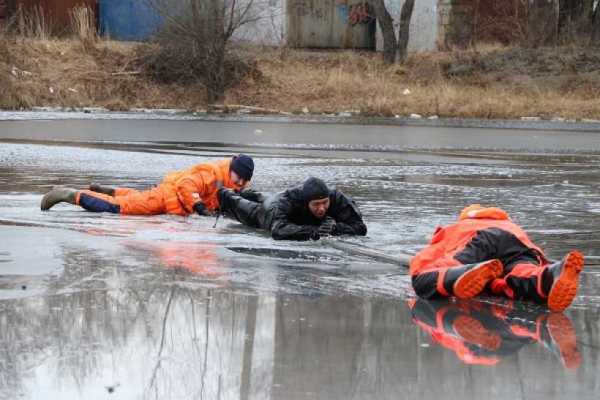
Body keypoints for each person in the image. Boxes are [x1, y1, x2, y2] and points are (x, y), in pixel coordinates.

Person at [410, 204, 584, 312]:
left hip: (484, 242)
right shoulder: (512, 226)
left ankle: (464, 271)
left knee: (423, 278)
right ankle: (548, 277)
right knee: (522, 270)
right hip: (518, 246)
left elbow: (426, 258)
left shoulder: (459, 227)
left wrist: (422, 269)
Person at [40, 154, 254, 216]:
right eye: (239, 178)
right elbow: (186, 186)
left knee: (133, 198)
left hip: (168, 201)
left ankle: (109, 190)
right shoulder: (213, 174)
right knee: (119, 207)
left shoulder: (231, 184)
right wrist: (198, 206)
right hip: (166, 199)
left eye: (244, 181)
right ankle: (68, 194)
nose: (240, 184)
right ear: (232, 169)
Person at [408, 298, 581, 369]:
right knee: (507, 323)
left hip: (480, 344)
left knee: (509, 327)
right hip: (477, 343)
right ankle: (539, 328)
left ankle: (539, 329)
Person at [218, 177, 367, 241]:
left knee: (263, 195)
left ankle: (250, 193)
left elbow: (360, 228)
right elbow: (278, 230)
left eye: (325, 203)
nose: (322, 208)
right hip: (268, 211)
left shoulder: (337, 198)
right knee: (235, 202)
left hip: (281, 199)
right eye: (316, 204)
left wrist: (336, 228)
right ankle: (225, 191)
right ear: (306, 202)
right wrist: (314, 231)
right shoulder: (290, 201)